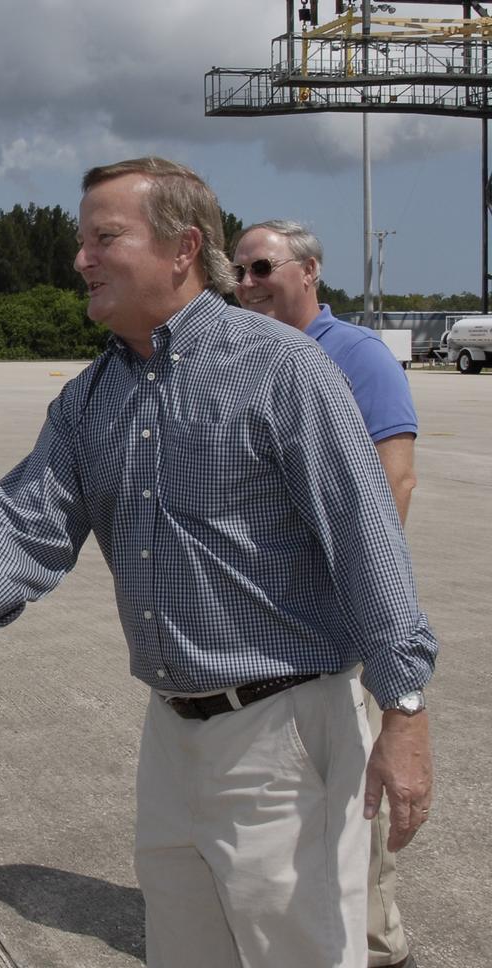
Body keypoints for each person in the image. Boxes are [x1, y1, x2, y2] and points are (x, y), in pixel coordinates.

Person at [0, 157, 436, 968]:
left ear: (182, 248)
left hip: (284, 731)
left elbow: (366, 541)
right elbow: (28, 517)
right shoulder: (92, 397)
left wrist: (404, 710)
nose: (81, 259)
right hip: (173, 734)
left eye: (104, 238)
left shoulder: (283, 370)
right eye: (80, 240)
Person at [233, 219, 420, 968]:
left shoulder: (357, 356)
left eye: (262, 268)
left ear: (310, 271)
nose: (246, 285)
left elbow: (394, 483)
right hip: (274, 637)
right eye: (238, 273)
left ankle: (377, 946)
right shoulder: (249, 354)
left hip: (342, 629)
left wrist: (363, 611)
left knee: (353, 806)